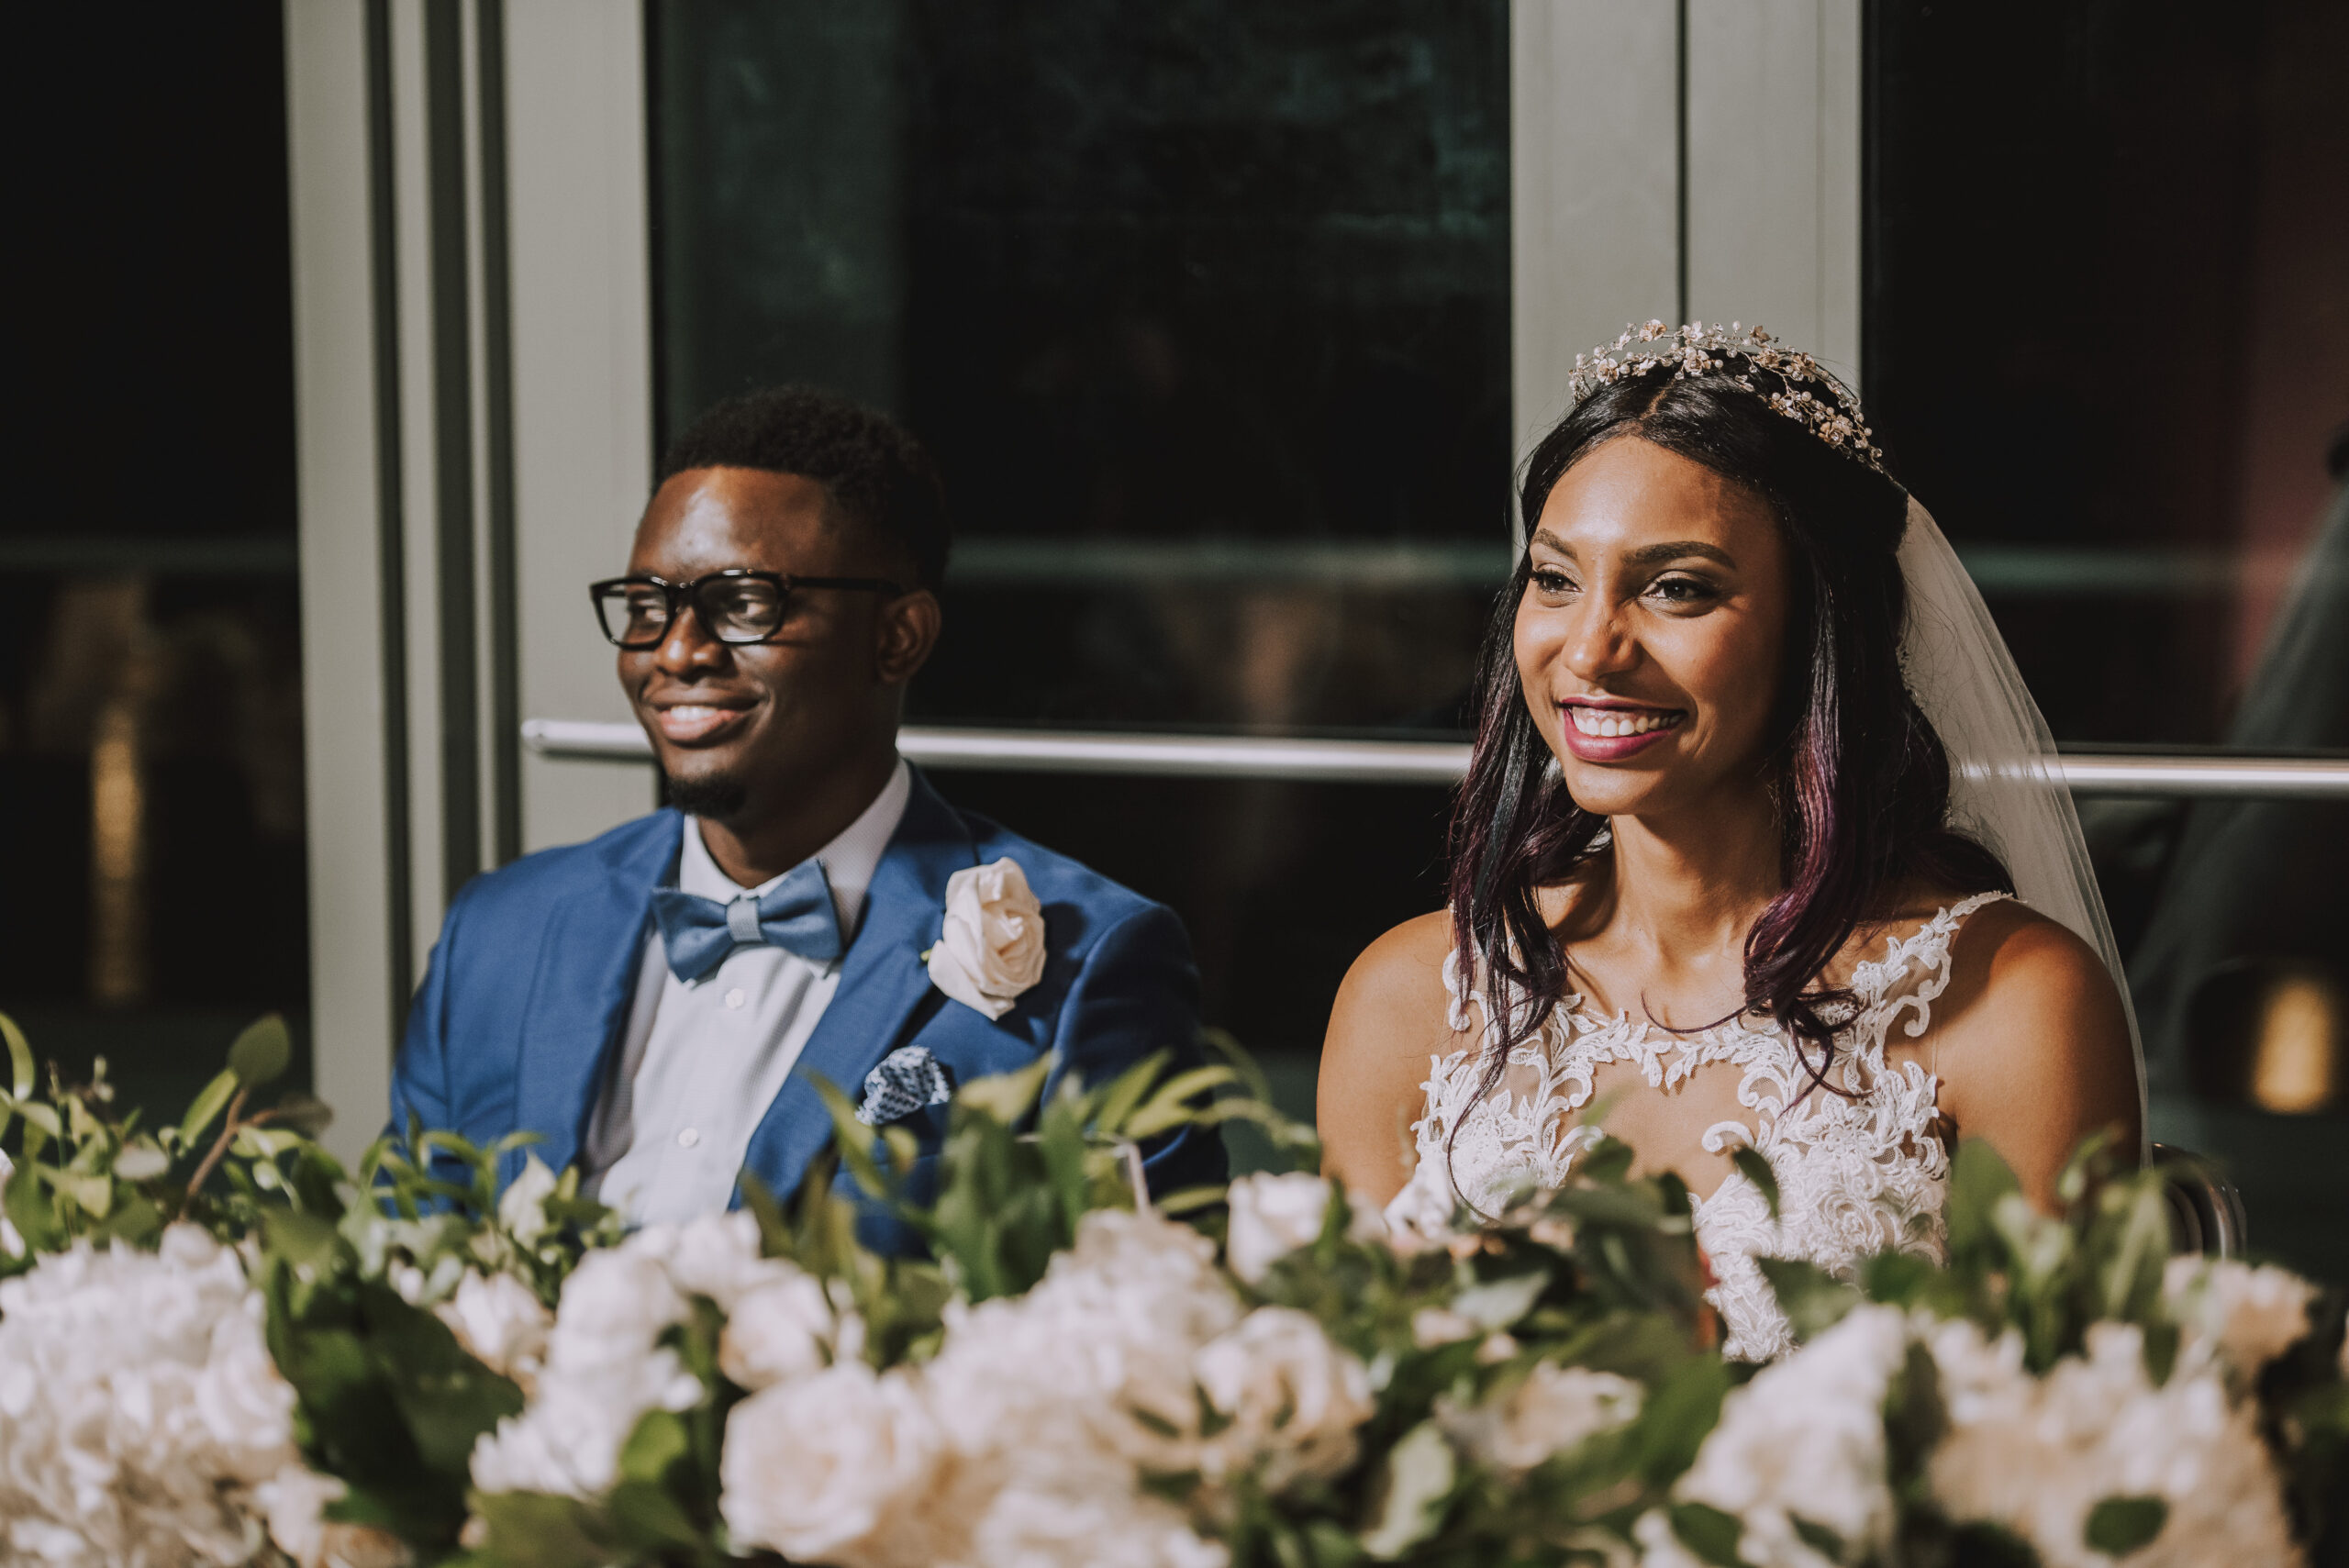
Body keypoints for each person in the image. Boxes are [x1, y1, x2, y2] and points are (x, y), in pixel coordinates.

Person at [1317, 324, 2143, 1360]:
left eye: (1677, 588)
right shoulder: (1410, 997)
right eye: (1556, 578)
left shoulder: (2012, 1007)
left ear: (1818, 626)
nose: (1589, 649)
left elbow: (2041, 1457)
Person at [391, 385, 1222, 1243]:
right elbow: (400, 1275)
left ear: (898, 636)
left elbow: (1142, 1317)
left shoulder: (1088, 962)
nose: (677, 651)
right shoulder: (500, 935)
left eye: (744, 603)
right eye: (648, 606)